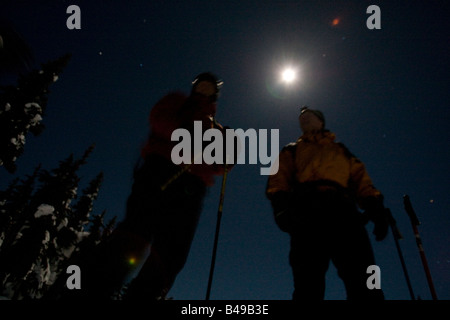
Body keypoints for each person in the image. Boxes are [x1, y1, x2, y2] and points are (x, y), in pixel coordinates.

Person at [67, 72, 229, 300]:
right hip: (160, 171)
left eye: (209, 87)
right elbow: (159, 119)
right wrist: (186, 130)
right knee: (134, 234)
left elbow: (220, 165)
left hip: (192, 188)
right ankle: (90, 292)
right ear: (194, 88)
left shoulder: (217, 128)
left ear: (215, 94)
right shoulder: (178, 101)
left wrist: (226, 154)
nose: (204, 89)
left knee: (171, 253)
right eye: (200, 85)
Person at [266, 106, 389, 300]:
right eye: (301, 117)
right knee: (307, 284)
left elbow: (361, 180)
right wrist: (280, 205)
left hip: (343, 212)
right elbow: (278, 177)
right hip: (306, 212)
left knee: (365, 279)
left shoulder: (341, 151)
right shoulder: (292, 150)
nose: (304, 119)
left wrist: (375, 206)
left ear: (321, 121)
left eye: (309, 116)